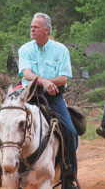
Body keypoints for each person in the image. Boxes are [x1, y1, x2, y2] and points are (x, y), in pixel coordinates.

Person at [18, 13, 78, 189]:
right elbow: (26, 73)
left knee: (70, 131)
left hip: (53, 98)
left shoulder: (61, 50)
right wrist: (44, 81)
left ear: (46, 30)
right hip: (28, 96)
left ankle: (69, 177)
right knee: (7, 123)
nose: (32, 29)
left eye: (35, 27)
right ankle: (4, 169)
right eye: (31, 27)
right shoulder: (25, 49)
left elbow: (64, 77)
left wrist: (51, 83)